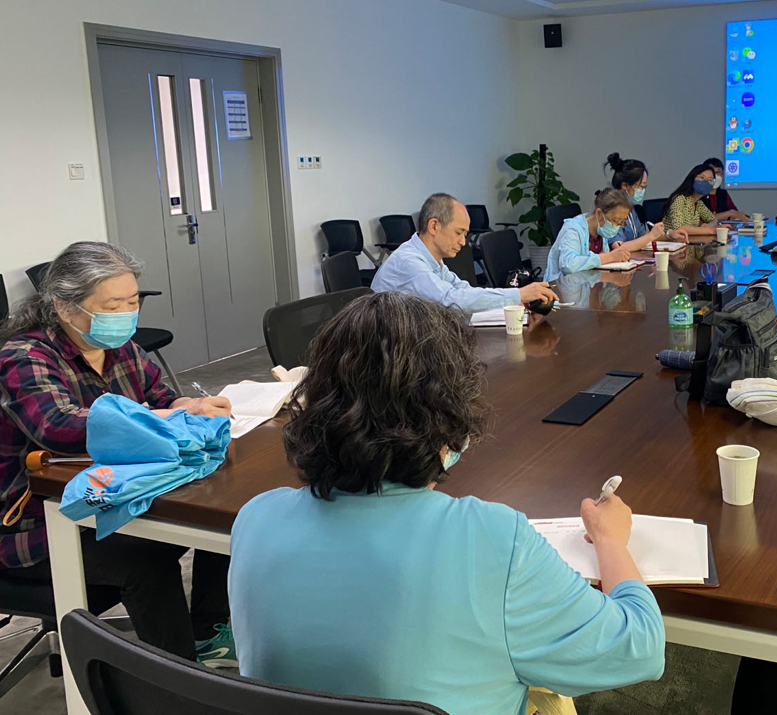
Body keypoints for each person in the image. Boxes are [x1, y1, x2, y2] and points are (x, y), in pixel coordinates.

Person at [228, 291, 665, 715]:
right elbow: (640, 648)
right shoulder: (492, 541)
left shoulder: (255, 519)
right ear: (451, 414)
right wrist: (609, 540)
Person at [0, 242, 236, 666]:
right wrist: (163, 415)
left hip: (115, 493)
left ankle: (206, 634)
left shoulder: (121, 348)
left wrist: (190, 406)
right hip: (39, 520)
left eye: (132, 302)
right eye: (113, 306)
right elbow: (58, 426)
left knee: (224, 512)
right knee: (145, 560)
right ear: (64, 307)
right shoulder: (23, 356)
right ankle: (177, 683)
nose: (127, 314)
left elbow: (161, 397)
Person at [371, 193, 557, 313]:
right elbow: (450, 300)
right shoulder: (409, 261)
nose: (463, 242)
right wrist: (518, 295)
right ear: (434, 226)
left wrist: (512, 299)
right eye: (458, 232)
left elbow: (463, 290)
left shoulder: (432, 260)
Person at [546, 188, 649, 281]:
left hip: (589, 285)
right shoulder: (573, 229)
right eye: (614, 220)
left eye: (621, 223)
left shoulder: (601, 232)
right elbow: (568, 265)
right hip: (562, 289)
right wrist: (610, 256)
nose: (616, 226)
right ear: (599, 213)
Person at [605, 153, 689, 247]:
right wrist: (651, 235)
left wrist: (670, 235)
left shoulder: (631, 208)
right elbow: (619, 247)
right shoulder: (611, 209)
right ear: (624, 185)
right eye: (641, 186)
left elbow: (642, 238)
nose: (642, 190)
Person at [661, 163, 722, 239]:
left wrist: (708, 226)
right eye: (702, 177)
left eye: (710, 180)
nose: (706, 182)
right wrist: (711, 230)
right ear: (692, 178)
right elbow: (679, 228)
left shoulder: (698, 203)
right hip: (671, 243)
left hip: (689, 242)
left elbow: (714, 220)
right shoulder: (679, 198)